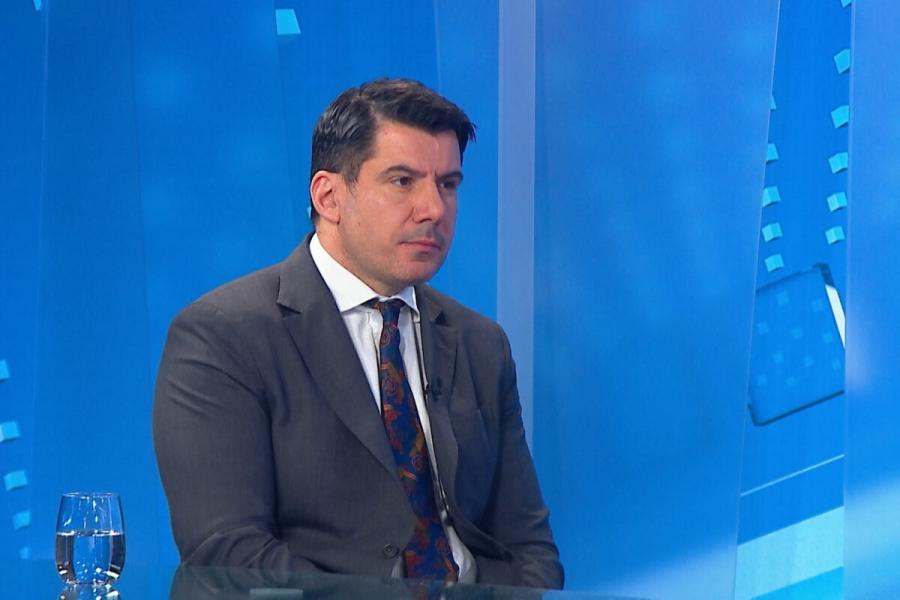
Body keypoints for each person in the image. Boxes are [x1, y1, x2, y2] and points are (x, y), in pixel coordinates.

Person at [153, 78, 563, 589]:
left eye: (448, 184)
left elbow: (529, 547)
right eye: (402, 181)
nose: (434, 210)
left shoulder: (480, 343)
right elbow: (227, 549)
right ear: (328, 197)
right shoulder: (223, 336)